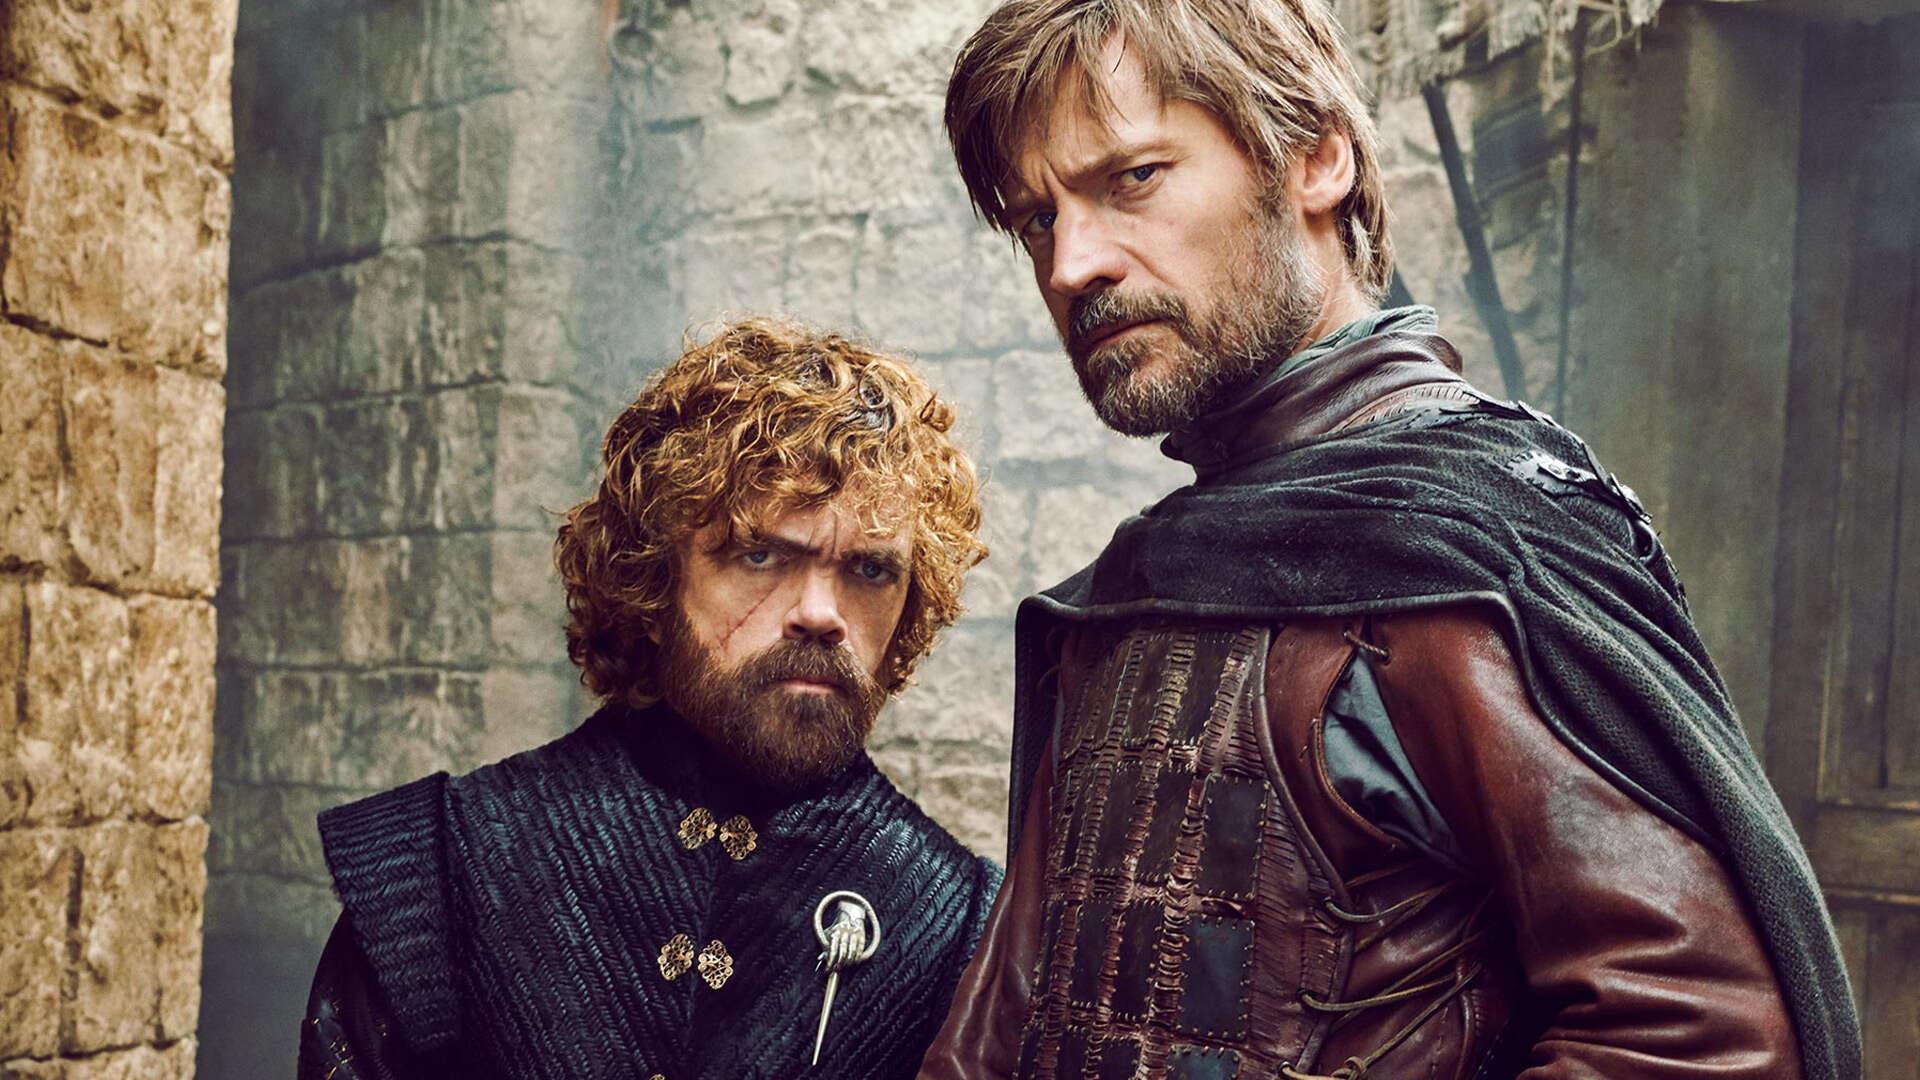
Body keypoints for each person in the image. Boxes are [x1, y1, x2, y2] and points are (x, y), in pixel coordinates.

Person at [920, 2, 1861, 1078]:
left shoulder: (1468, 552)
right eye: (1038, 220)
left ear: (1316, 160)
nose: (1072, 264)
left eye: (1133, 177)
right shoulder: (1150, 579)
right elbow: (1015, 1018)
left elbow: (1699, 1038)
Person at [298, 317, 1001, 1079]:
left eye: (869, 571)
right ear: (654, 580)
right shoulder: (443, 868)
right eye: (759, 554)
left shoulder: (961, 929)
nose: (820, 613)